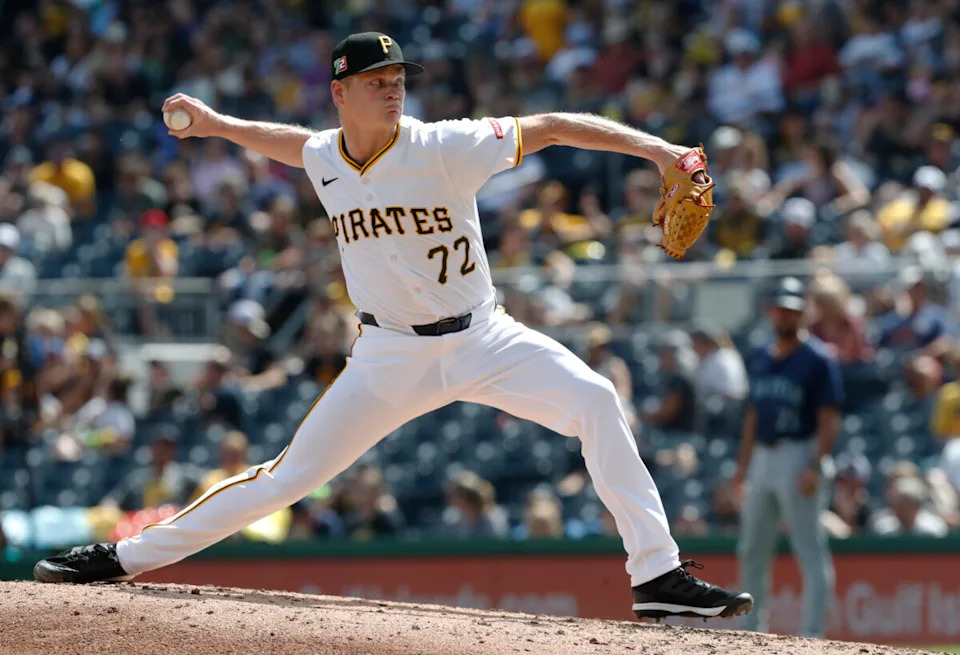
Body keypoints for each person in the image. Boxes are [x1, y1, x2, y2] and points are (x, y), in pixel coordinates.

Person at [34, 31, 752, 622]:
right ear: (340, 93)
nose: (393, 86)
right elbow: (291, 143)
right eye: (376, 78)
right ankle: (121, 557)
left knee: (595, 398)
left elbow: (556, 125)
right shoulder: (326, 155)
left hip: (483, 337)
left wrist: (663, 152)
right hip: (388, 355)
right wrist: (220, 125)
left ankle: (657, 576)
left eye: (398, 76)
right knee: (286, 478)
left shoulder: (447, 144)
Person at [735, 277, 842, 637]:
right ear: (771, 311)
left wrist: (815, 464)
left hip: (799, 453)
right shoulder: (761, 356)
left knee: (808, 549)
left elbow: (829, 419)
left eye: (793, 310)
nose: (786, 315)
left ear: (802, 314)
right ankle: (751, 630)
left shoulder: (817, 359)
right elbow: (752, 416)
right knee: (752, 549)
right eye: (781, 309)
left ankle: (812, 635)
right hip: (763, 457)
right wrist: (742, 469)